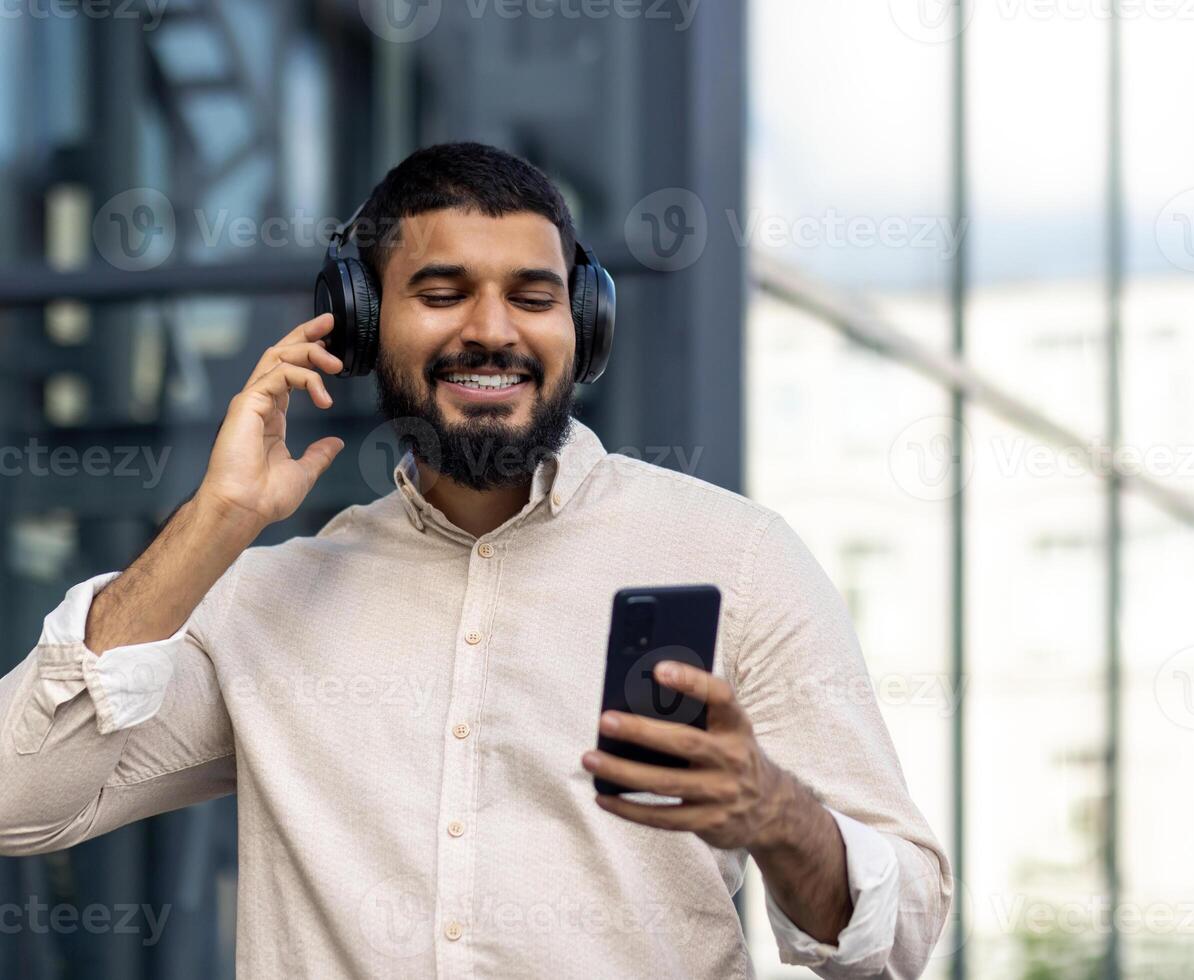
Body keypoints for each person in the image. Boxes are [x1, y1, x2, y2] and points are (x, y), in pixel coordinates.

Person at [0, 142, 950, 978]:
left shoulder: (736, 557)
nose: (493, 330)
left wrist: (779, 814)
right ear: (362, 324)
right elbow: (16, 802)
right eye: (443, 293)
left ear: (584, 326)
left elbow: (904, 934)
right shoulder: (263, 601)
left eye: (532, 297)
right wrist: (216, 519)